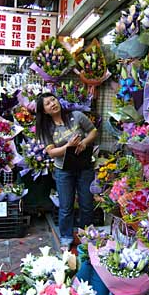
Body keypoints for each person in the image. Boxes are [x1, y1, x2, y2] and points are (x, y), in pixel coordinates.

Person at [36, 92, 98, 250]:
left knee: (86, 203)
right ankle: (66, 237)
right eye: (48, 104)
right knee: (65, 206)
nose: (52, 104)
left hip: (85, 167)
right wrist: (67, 147)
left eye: (53, 100)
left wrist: (84, 142)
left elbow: (93, 131)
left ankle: (87, 235)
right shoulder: (46, 128)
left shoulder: (76, 116)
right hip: (63, 171)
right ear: (44, 111)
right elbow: (51, 152)